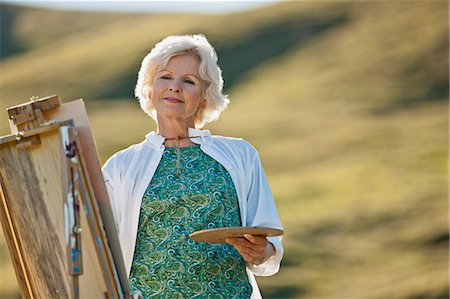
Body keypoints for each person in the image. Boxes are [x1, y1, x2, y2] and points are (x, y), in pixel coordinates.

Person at [102, 34, 283, 298]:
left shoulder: (240, 154)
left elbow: (268, 244)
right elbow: (98, 246)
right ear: (150, 89)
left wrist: (262, 251)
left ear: (204, 97)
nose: (174, 86)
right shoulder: (120, 166)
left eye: (188, 81)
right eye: (165, 77)